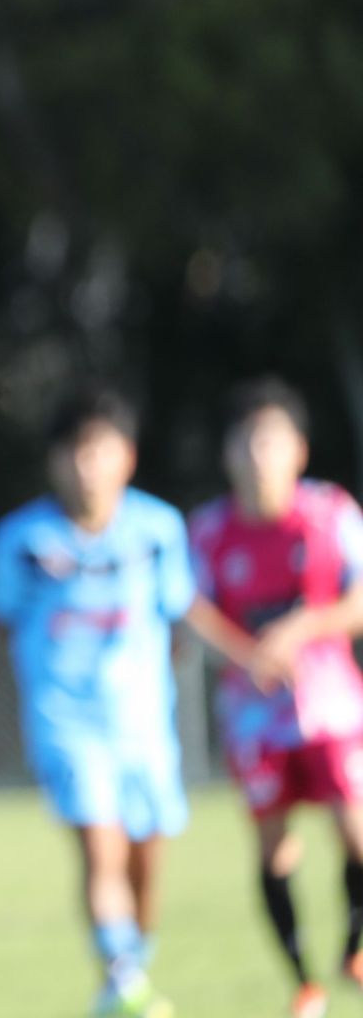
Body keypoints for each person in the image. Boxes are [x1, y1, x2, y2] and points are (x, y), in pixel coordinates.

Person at [0, 387, 192, 1018]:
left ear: (128, 457)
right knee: (100, 845)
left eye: (100, 450)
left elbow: (179, 622)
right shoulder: (22, 539)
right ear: (55, 461)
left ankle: (126, 974)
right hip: (64, 721)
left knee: (147, 855)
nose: (87, 465)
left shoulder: (159, 530)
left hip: (143, 724)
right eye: (74, 452)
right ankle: (123, 977)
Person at [187, 378, 363, 1018]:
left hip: (332, 707)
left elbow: (359, 600)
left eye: (272, 440)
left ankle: (354, 946)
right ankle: (304, 982)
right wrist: (248, 654)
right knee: (273, 847)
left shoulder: (331, 512)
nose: (260, 454)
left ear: (299, 450)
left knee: (356, 829)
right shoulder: (207, 532)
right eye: (248, 441)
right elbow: (192, 611)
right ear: (229, 454)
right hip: (254, 716)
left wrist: (303, 626)